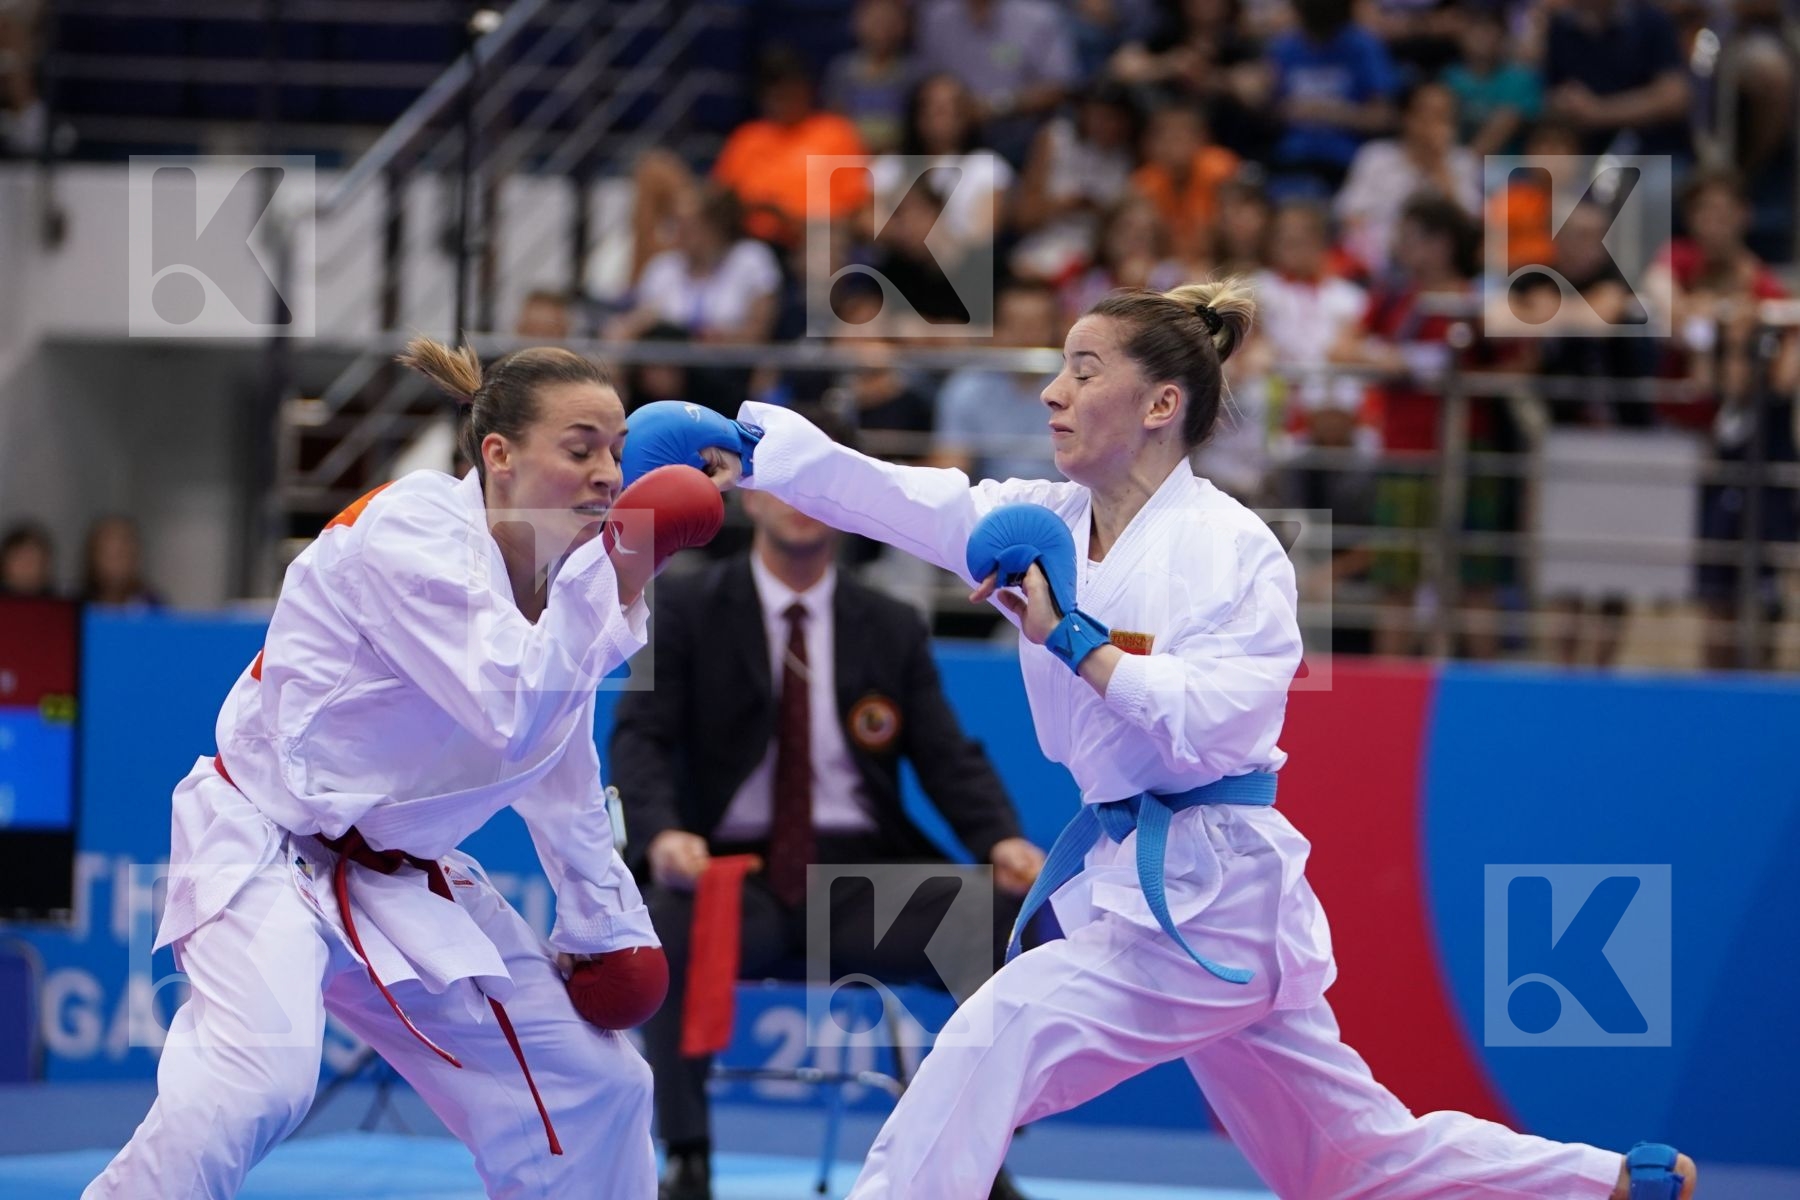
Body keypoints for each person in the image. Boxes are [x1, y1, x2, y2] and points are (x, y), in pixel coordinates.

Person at [620, 281, 1700, 1200]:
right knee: (1343, 1163)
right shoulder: (1037, 519)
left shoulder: (1236, 550)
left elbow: (1217, 721)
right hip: (1166, 894)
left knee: (999, 1036)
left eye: (1084, 371)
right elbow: (902, 498)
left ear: (1160, 403)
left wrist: (1082, 641)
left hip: (1205, 892)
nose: (1052, 391)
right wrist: (754, 451)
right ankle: (1607, 1183)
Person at [83, 339, 727, 1200]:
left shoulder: (569, 578)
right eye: (580, 450)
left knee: (603, 1088)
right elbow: (511, 706)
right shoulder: (412, 533)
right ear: (498, 456)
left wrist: (602, 926)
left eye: (616, 452)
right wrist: (620, 567)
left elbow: (560, 770)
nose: (609, 475)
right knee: (253, 1087)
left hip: (400, 881)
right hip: (268, 847)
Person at [610, 450, 1046, 1200]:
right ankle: (686, 1156)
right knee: (667, 921)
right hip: (728, 873)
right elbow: (638, 737)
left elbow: (945, 755)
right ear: (750, 501)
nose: (798, 504)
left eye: (816, 489)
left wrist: (1000, 839)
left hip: (858, 882)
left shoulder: (890, 624)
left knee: (1004, 918)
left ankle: (973, 1155)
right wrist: (661, 835)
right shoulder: (684, 608)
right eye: (780, 487)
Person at [80, 514, 162, 608]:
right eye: (108, 555)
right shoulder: (76, 608)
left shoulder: (153, 607)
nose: (115, 566)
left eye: (122, 554)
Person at [0, 520, 55, 596]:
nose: (27, 566)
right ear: (4, 563)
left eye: (34, 561)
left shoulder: (60, 604)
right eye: (20, 559)